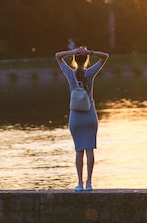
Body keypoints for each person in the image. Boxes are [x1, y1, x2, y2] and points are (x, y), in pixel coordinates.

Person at [55, 46, 109, 192]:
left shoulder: (69, 73)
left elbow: (58, 55)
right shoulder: (90, 73)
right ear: (86, 59)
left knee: (79, 151)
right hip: (89, 114)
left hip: (76, 117)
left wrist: (72, 52)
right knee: (90, 150)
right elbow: (105, 56)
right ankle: (89, 183)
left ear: (74, 59)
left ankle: (79, 184)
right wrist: (90, 52)